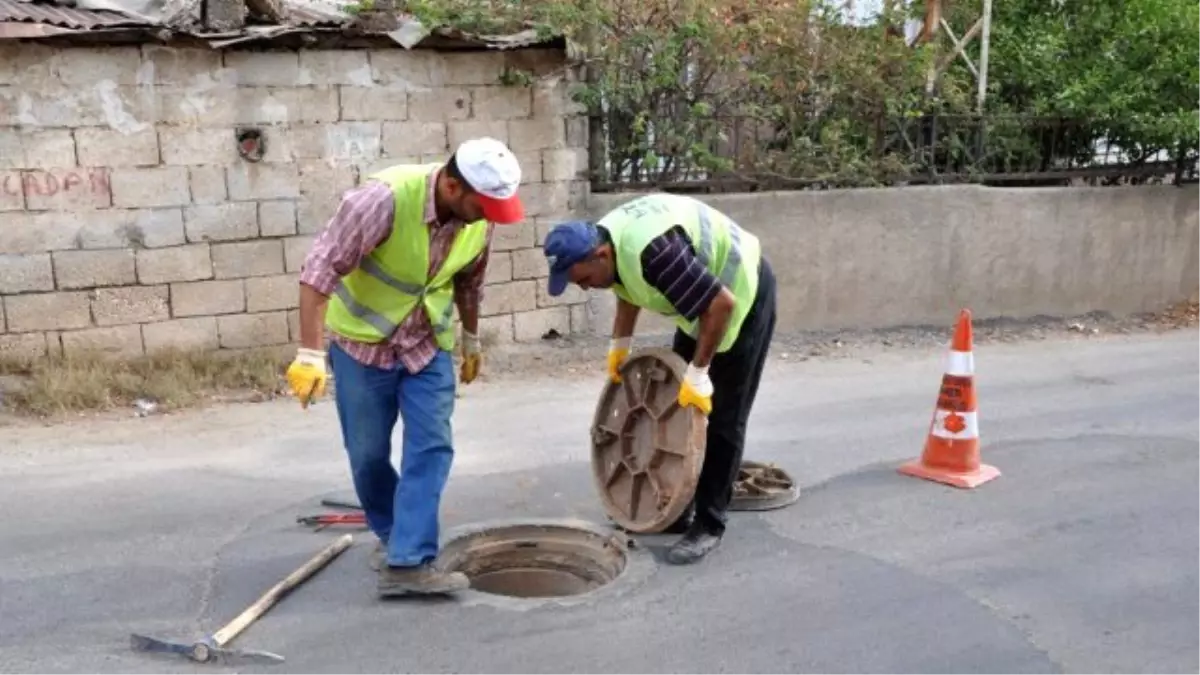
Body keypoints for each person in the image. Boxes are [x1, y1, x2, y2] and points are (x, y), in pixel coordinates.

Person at [285, 137, 525, 598]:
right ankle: (396, 535)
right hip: (362, 346)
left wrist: (470, 339)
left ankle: (409, 561)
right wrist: (311, 354)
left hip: (425, 343)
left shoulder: (479, 218)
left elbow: (469, 282)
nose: (492, 218)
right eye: (485, 206)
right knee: (369, 455)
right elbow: (317, 271)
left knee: (432, 446)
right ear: (453, 186)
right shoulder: (383, 201)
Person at [542, 192, 777, 565]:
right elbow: (627, 285)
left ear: (599, 255)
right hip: (702, 300)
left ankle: (709, 524)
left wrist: (699, 374)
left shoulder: (655, 252)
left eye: (582, 279)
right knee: (677, 408)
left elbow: (722, 304)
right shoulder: (610, 244)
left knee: (722, 415)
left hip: (740, 295)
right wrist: (620, 343)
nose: (583, 287)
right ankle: (678, 505)